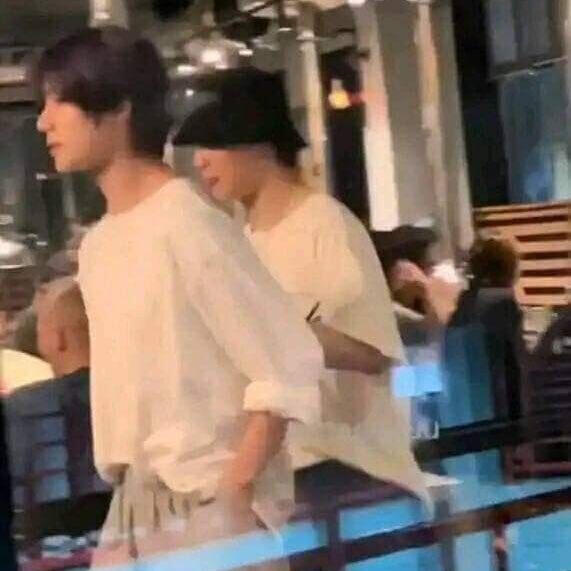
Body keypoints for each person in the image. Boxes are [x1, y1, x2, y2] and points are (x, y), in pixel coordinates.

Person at [36, 27, 323, 570]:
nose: (44, 121)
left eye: (59, 101)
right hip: (133, 507)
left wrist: (230, 497)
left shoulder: (187, 224)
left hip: (202, 504)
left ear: (117, 108)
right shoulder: (100, 245)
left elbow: (286, 367)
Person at [174, 68, 429, 506]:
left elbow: (372, 352)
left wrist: (275, 334)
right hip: (284, 477)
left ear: (259, 144)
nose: (200, 161)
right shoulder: (242, 241)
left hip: (347, 471)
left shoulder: (323, 224)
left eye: (214, 144)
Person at [442, 237, 526, 426]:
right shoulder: (503, 304)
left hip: (464, 410)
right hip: (497, 411)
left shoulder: (465, 304)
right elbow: (515, 370)